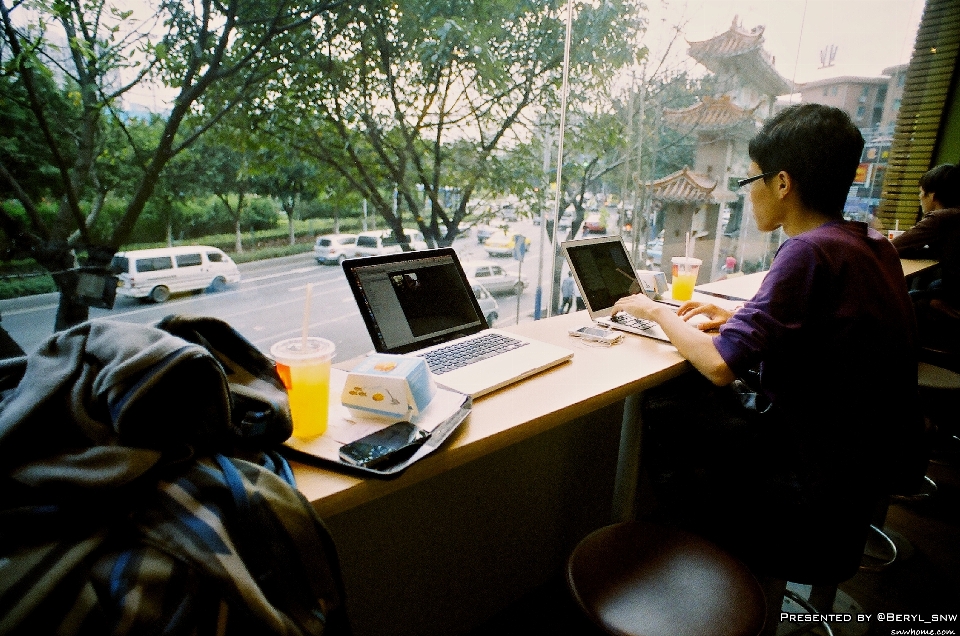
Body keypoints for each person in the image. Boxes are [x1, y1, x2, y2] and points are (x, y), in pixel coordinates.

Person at [611, 104, 922, 621]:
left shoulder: (806, 252)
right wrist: (734, 312)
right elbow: (825, 322)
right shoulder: (868, 244)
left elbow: (716, 365)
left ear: (781, 183)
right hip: (857, 483)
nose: (747, 191)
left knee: (668, 403)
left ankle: (687, 565)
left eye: (750, 178)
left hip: (808, 493)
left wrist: (653, 311)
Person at [891, 164, 960, 350]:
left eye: (921, 193)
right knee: (931, 286)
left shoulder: (941, 218)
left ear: (933, 195)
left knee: (904, 300)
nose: (920, 199)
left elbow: (893, 247)